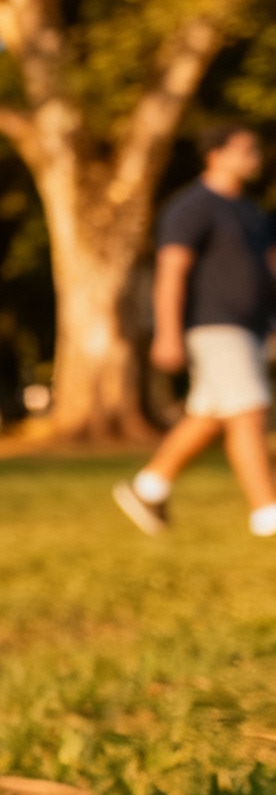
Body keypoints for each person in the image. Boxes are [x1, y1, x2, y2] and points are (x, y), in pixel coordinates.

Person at [114, 123, 276, 538]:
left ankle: (149, 487)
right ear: (215, 154)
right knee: (248, 412)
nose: (255, 156)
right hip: (213, 324)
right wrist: (167, 332)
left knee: (208, 417)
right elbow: (172, 271)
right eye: (246, 149)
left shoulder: (251, 212)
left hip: (251, 328)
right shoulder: (193, 207)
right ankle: (267, 512)